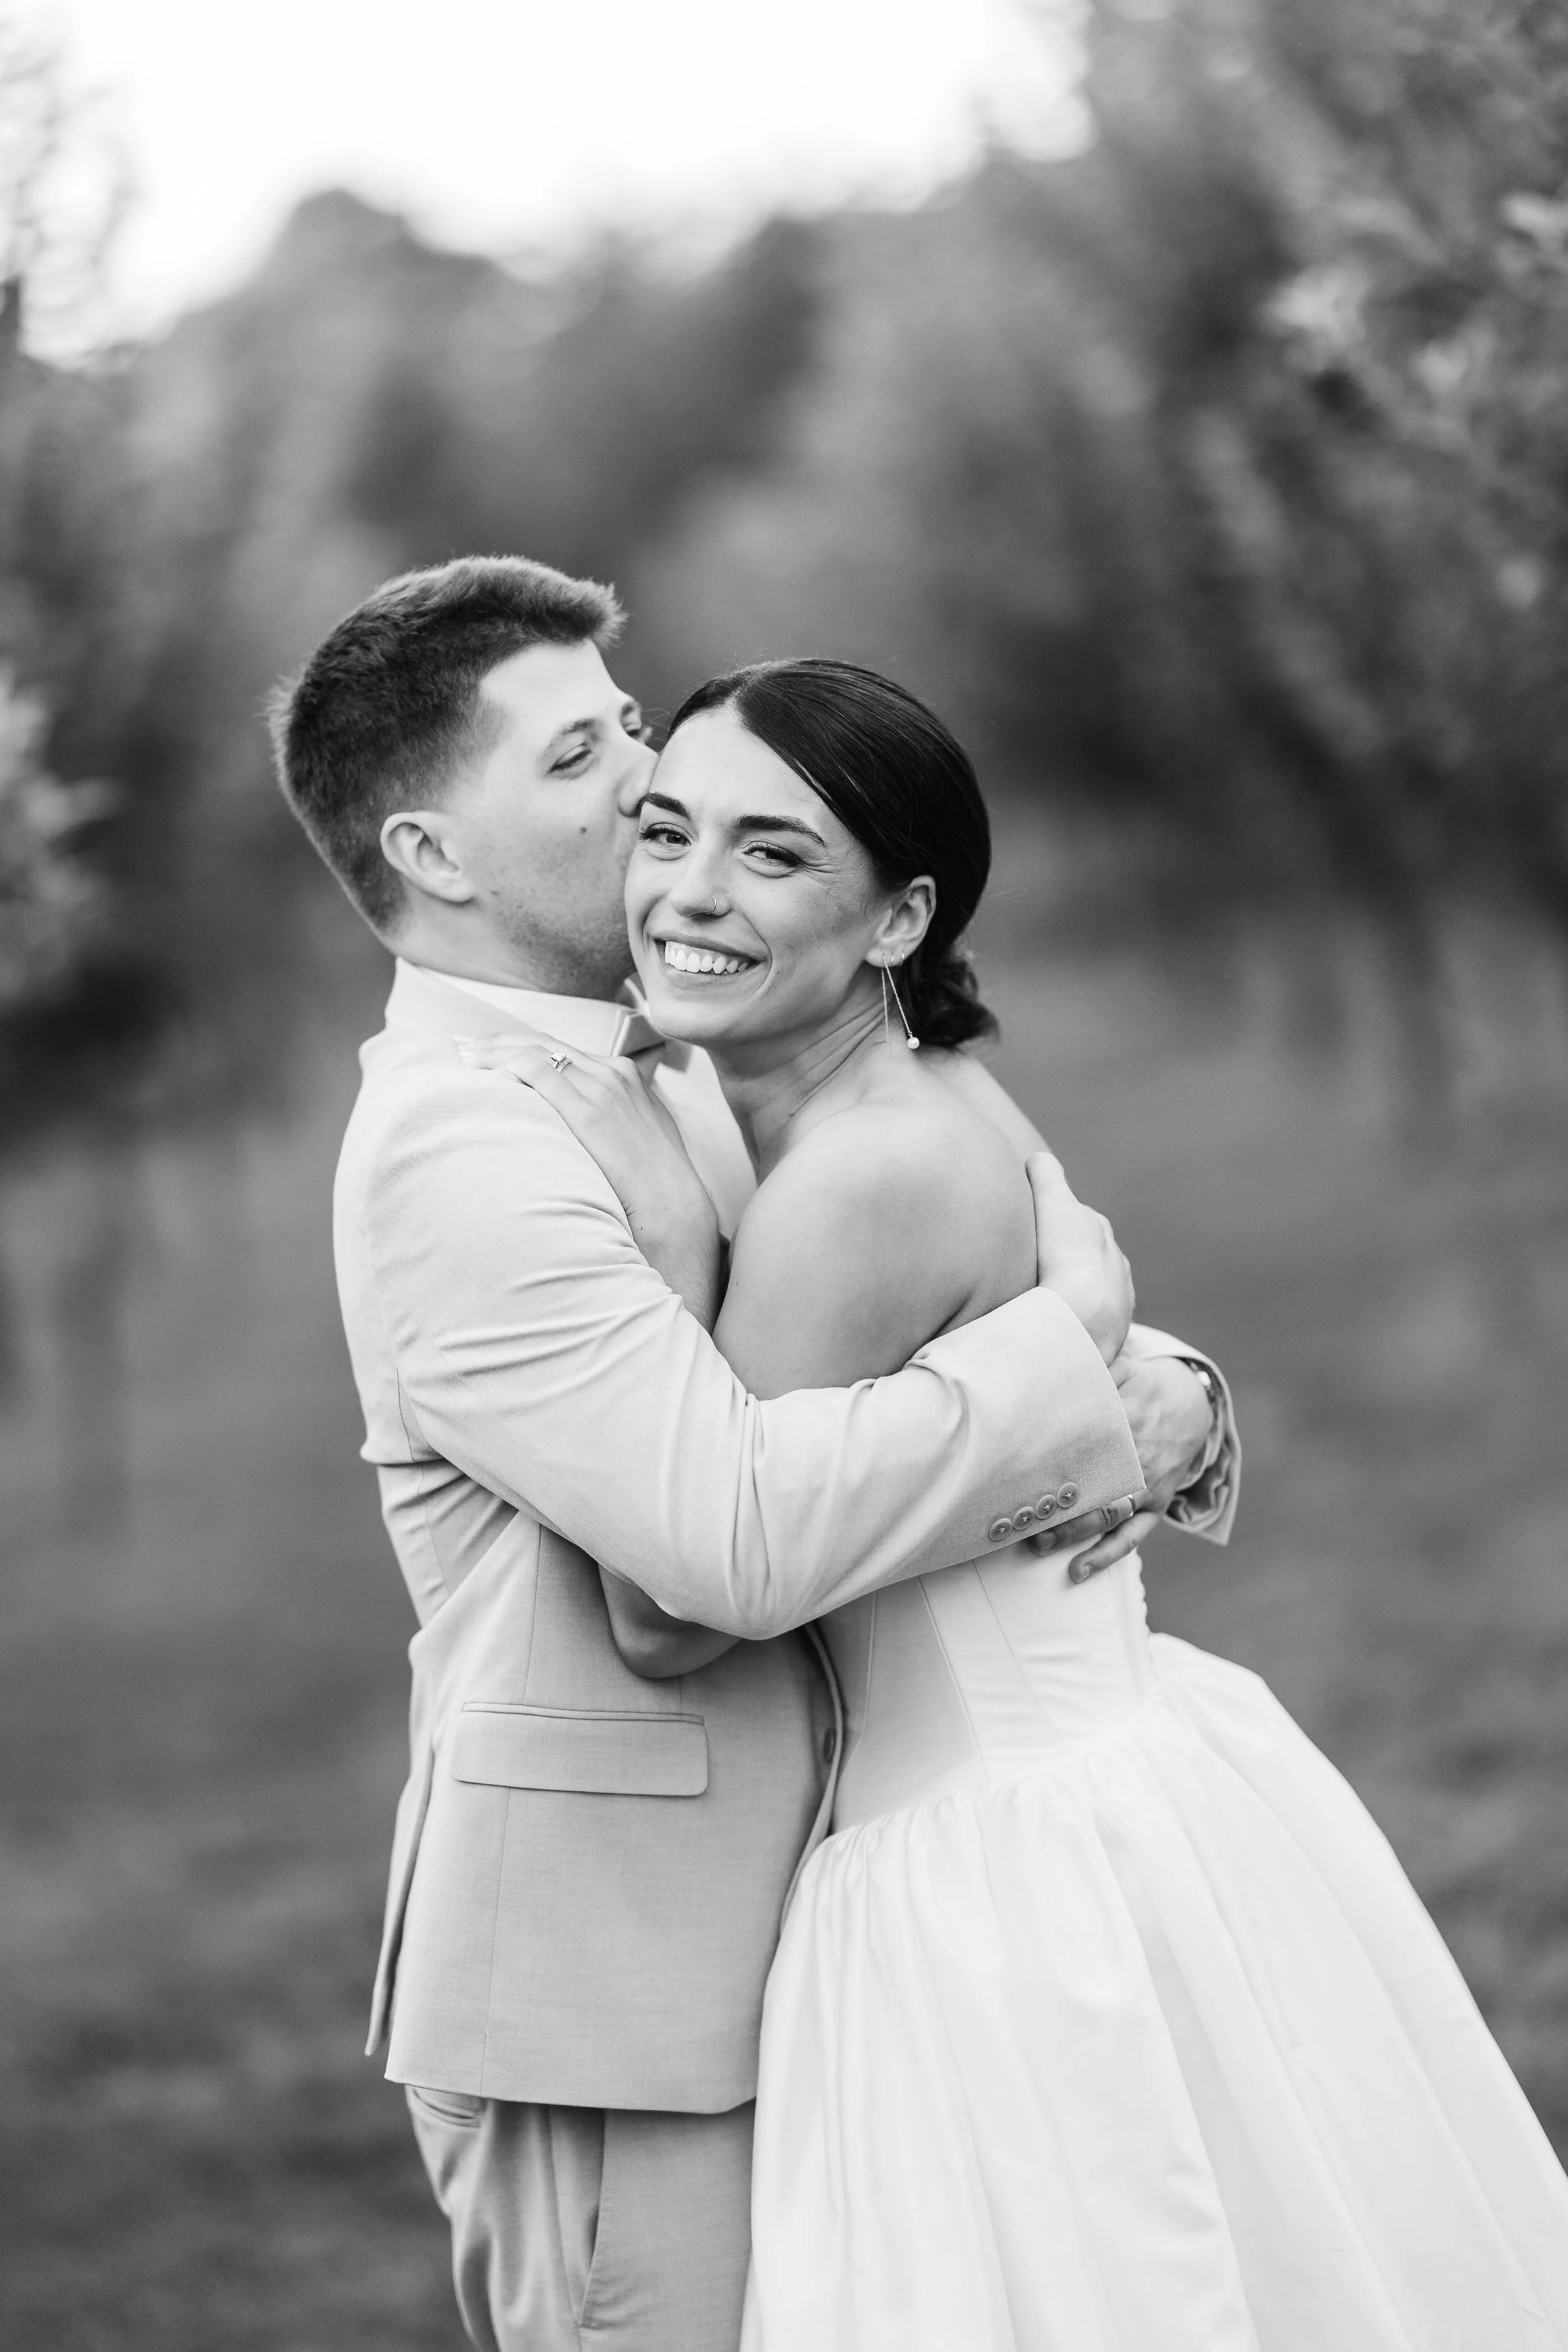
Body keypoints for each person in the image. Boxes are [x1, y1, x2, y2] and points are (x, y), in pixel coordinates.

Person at [489, 655, 1568, 2351]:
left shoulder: (859, 1173)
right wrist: (1123, 1387)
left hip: (988, 1851)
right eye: (667, 828)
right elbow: (1035, 1373)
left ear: (897, 915)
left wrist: (1094, 1388)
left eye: (772, 855)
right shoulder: (843, 1092)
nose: (688, 892)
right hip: (1116, 1773)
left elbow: (677, 1599)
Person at [268, 556, 1238, 2352]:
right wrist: (1058, 1358)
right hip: (611, 1982)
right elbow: (714, 1545)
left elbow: (913, 1275)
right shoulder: (459, 1149)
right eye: (578, 761)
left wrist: (1151, 1379)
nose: (646, 790)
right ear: (432, 855)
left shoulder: (686, 1057)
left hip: (827, 1916)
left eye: (632, 729)